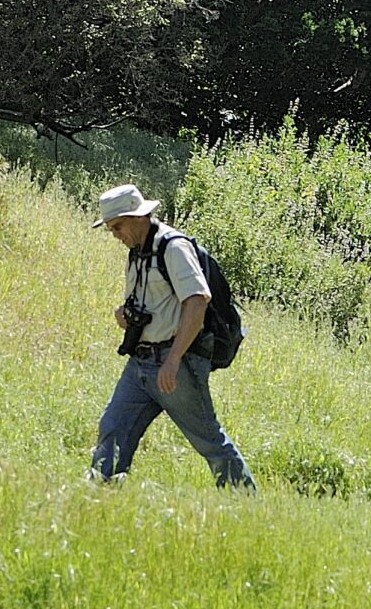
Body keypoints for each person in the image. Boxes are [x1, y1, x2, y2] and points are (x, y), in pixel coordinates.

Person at [89, 183, 255, 489]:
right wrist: (124, 315)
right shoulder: (137, 251)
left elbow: (197, 301)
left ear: (137, 217)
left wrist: (174, 360)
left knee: (208, 440)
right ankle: (99, 496)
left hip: (175, 367)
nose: (114, 234)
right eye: (110, 229)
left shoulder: (173, 246)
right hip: (140, 363)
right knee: (112, 427)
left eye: (117, 226)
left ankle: (247, 504)